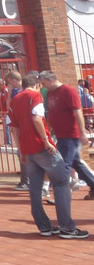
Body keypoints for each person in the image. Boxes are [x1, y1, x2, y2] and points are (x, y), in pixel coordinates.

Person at [9, 72, 88, 238]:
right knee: (61, 182)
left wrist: (21, 149)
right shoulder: (35, 96)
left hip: (27, 149)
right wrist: (46, 140)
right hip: (41, 147)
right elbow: (37, 118)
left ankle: (44, 226)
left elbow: (14, 128)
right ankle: (67, 227)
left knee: (35, 189)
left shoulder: (14, 100)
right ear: (36, 85)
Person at [39, 70, 94, 200]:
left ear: (50, 80)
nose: (43, 86)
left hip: (70, 134)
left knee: (63, 164)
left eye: (44, 83)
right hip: (61, 134)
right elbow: (51, 112)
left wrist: (82, 132)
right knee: (76, 163)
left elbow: (77, 111)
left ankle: (62, 195)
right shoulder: (52, 93)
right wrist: (48, 129)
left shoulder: (68, 91)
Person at [3, 71, 26, 189]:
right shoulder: (16, 91)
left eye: (8, 82)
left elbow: (10, 107)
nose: (7, 84)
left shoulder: (24, 90)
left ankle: (26, 181)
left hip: (23, 124)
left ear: (13, 80)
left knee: (24, 152)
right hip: (18, 122)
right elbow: (9, 107)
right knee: (22, 152)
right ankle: (26, 180)